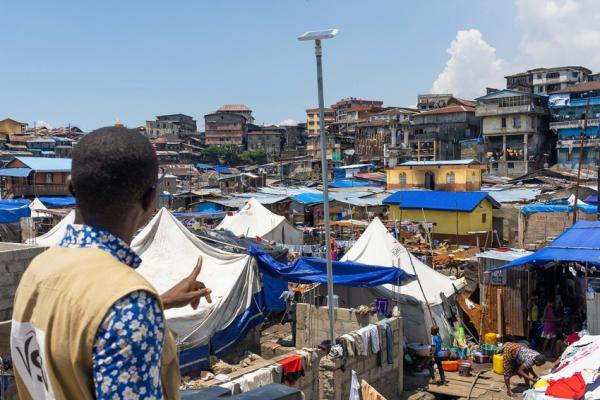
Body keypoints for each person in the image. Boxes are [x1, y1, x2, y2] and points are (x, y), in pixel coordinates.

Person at [10, 127, 212, 399]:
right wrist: (142, 306)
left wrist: (159, 302)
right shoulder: (128, 305)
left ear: (71, 186)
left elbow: (75, 333)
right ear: (150, 199)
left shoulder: (37, 271)